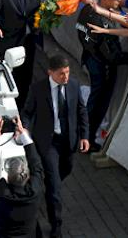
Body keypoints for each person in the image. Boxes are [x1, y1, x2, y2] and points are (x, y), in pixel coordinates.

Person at [21, 55, 89, 238]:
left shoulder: (73, 86)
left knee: (65, 170)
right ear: (50, 72)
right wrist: (24, 129)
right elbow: (27, 113)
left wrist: (84, 136)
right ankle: (56, 225)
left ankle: (51, 185)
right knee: (54, 187)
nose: (65, 77)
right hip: (49, 143)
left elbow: (81, 110)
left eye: (67, 73)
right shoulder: (38, 89)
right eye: (61, 74)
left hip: (69, 141)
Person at [77, 0, 128, 150]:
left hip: (91, 59)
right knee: (97, 106)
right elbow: (110, 54)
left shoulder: (87, 9)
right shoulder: (101, 20)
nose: (119, 1)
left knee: (92, 103)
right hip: (103, 68)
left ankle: (82, 136)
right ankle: (86, 140)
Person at [0, 116, 43, 238]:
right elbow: (37, 165)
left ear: (8, 177)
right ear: (27, 177)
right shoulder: (35, 191)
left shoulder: (1, 192)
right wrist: (23, 134)